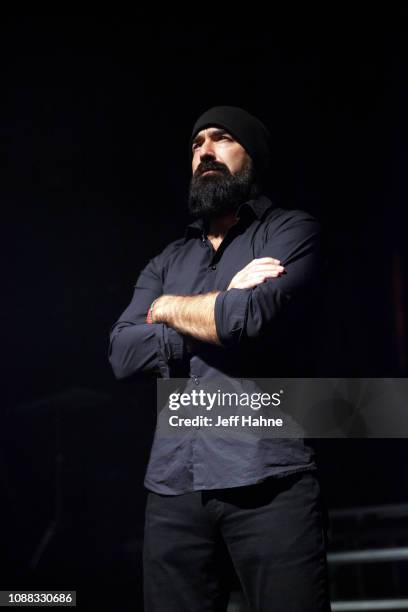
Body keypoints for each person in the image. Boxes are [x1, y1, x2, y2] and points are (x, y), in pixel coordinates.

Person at [109, 106, 331, 611]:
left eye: (222, 139)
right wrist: (218, 301)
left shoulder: (290, 232)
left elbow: (247, 320)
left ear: (251, 157)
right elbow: (122, 353)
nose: (205, 151)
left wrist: (166, 312)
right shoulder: (167, 260)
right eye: (196, 144)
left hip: (270, 477)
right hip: (173, 486)